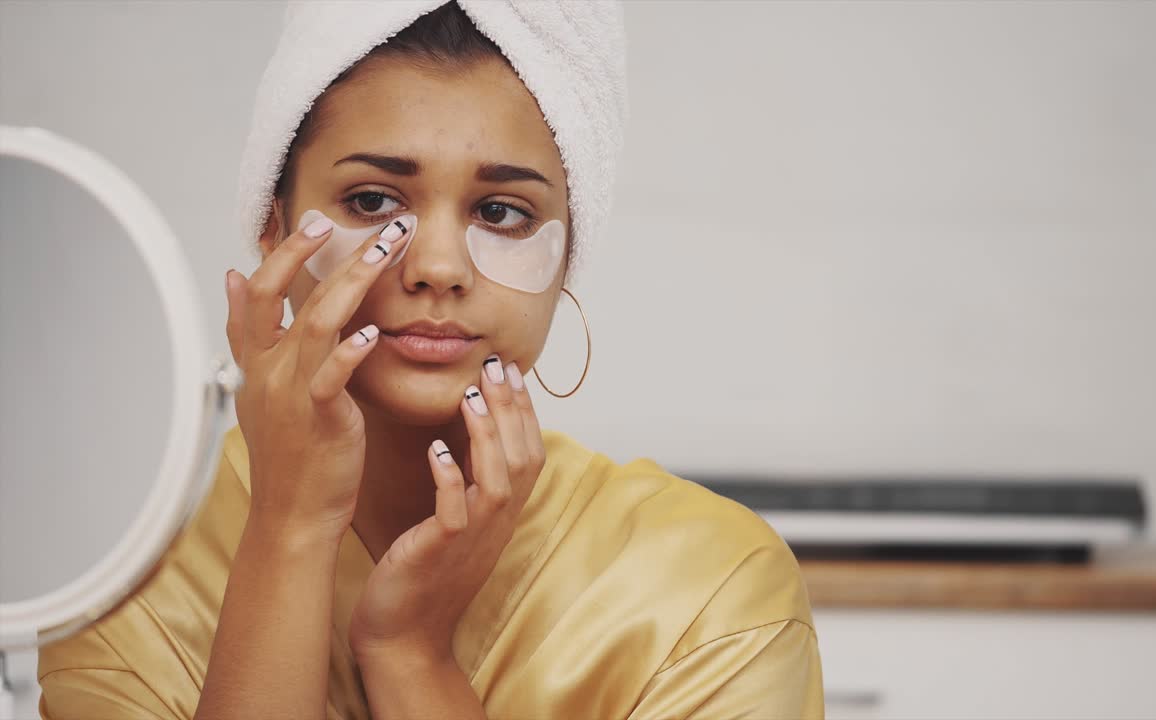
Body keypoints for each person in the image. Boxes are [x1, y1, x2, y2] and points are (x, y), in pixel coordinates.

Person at [37, 2, 823, 718]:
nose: (438, 267)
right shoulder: (124, 573)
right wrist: (289, 530)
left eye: (502, 212)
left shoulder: (709, 589)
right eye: (373, 202)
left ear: (569, 254)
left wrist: (410, 655)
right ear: (273, 227)